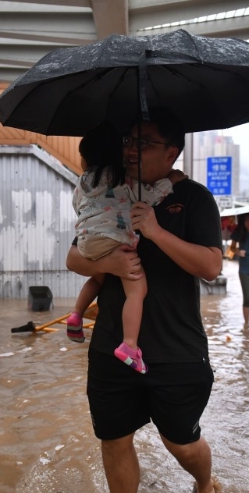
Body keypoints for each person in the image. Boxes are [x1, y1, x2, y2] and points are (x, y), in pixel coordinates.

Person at [66, 109, 224, 493]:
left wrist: (155, 231)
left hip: (176, 348)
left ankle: (205, 480)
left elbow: (210, 266)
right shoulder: (109, 189)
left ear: (173, 151)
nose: (131, 149)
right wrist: (113, 266)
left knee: (181, 442)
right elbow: (74, 257)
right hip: (112, 346)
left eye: (145, 142)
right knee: (114, 438)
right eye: (128, 140)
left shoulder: (193, 198)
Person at [65, 122, 173, 375]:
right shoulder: (126, 180)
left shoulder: (82, 182)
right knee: (137, 290)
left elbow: (78, 207)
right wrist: (170, 182)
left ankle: (76, 315)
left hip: (86, 240)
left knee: (98, 278)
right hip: (115, 239)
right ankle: (130, 346)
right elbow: (150, 197)